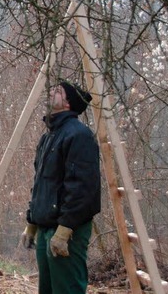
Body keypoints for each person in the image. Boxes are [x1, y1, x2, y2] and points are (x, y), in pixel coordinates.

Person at [21, 79, 101, 294]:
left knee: (67, 290)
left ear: (68, 103)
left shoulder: (79, 135)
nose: (50, 93)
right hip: (47, 227)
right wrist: (32, 222)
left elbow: (83, 188)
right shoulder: (48, 137)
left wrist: (65, 229)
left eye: (57, 91)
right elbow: (41, 183)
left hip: (67, 229)